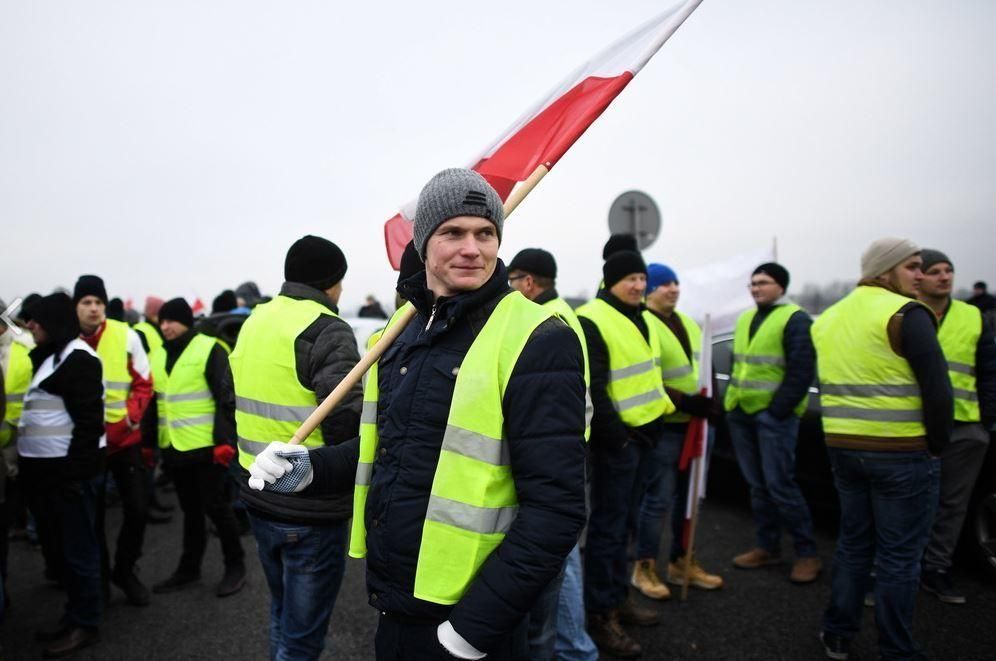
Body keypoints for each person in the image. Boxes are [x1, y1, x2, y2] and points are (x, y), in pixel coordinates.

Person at [248, 168, 587, 661]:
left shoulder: (538, 337)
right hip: (398, 598)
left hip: (471, 620)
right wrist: (307, 471)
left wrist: (472, 630)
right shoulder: (401, 333)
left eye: (485, 233)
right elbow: (386, 449)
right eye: (453, 232)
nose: (472, 248)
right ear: (424, 242)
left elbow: (556, 511)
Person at [814, 238, 951, 661]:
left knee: (854, 545)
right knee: (899, 557)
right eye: (911, 267)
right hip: (901, 453)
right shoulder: (907, 314)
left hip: (843, 449)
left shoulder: (828, 317)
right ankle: (897, 649)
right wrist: (937, 446)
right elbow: (938, 389)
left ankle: (837, 634)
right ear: (885, 270)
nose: (921, 275)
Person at [229, 235, 363, 660]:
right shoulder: (326, 329)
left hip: (258, 490)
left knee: (283, 613)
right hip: (310, 503)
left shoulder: (255, 320)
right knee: (302, 638)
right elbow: (345, 421)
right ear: (331, 282)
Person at [578, 250, 675, 659]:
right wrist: (617, 440)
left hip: (644, 438)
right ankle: (600, 614)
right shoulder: (592, 318)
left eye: (641, 278)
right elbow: (594, 386)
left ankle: (617, 598)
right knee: (607, 530)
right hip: (617, 445)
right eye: (629, 279)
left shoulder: (644, 318)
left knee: (626, 528)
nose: (638, 285)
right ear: (611, 281)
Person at [507, 247, 597, 661]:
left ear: (529, 283)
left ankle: (576, 648)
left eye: (512, 280)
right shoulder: (560, 315)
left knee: (559, 561)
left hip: (558, 456)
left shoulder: (551, 323)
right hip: (566, 450)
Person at [18, 293, 105, 657]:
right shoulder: (52, 357)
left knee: (79, 551)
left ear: (51, 321)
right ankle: (73, 615)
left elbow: (88, 426)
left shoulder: (78, 359)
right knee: (64, 553)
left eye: (35, 320)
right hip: (49, 477)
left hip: (69, 478)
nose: (29, 326)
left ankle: (85, 623)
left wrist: (72, 476)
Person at [723, 262, 821, 583]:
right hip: (742, 413)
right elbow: (742, 365)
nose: (756, 288)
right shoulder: (746, 318)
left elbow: (801, 371)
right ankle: (767, 546)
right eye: (752, 283)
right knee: (758, 486)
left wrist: (777, 411)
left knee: (781, 485)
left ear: (781, 286)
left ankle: (807, 553)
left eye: (763, 283)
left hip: (773, 418)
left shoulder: (795, 319)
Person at [631, 263, 723, 601]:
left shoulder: (689, 322)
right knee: (657, 501)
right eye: (664, 284)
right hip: (667, 429)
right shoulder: (645, 324)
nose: (673, 289)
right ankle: (644, 566)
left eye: (675, 283)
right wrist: (685, 402)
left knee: (691, 501)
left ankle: (682, 562)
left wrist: (712, 405)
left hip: (697, 428)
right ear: (649, 290)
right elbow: (646, 377)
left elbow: (705, 366)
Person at [143, 298, 246, 597]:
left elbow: (226, 400)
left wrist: (224, 442)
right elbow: (155, 403)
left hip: (207, 448)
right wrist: (149, 444)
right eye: (162, 322)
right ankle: (188, 569)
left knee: (216, 508)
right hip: (175, 448)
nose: (166, 327)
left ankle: (235, 566)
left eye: (172, 321)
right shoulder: (159, 354)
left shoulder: (209, 348)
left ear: (186, 321)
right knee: (190, 512)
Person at [917, 250, 996, 604]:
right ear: (920, 277)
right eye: (935, 271)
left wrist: (986, 422)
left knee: (952, 504)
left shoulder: (973, 316)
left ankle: (936, 569)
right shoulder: (903, 313)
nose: (945, 277)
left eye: (949, 270)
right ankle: (896, 571)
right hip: (914, 426)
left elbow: (989, 371)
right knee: (909, 502)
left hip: (965, 426)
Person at [74, 275, 154, 607]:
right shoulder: (68, 341)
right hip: (85, 446)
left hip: (124, 440)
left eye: (98, 303)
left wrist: (129, 420)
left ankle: (124, 569)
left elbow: (144, 383)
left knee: (137, 509)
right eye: (86, 302)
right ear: (76, 307)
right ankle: (100, 579)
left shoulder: (126, 335)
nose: (93, 309)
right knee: (92, 519)